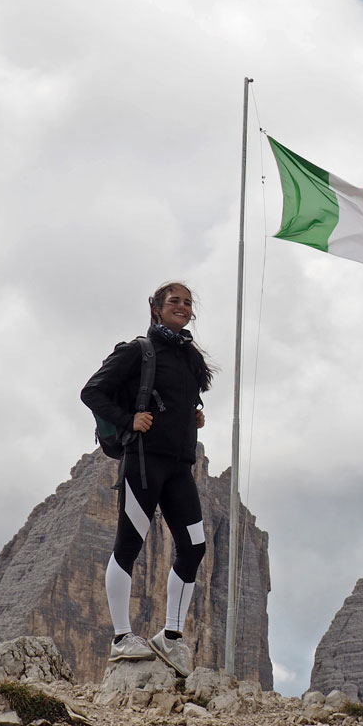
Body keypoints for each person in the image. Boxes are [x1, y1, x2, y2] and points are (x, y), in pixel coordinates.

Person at [80, 281, 215, 677]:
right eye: (174, 301)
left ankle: (170, 638)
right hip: (143, 462)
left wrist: (192, 417)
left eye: (188, 303)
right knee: (129, 544)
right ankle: (122, 638)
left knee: (194, 547)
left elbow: (178, 400)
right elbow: (92, 392)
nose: (182, 306)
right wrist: (128, 420)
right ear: (156, 308)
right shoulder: (137, 351)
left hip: (179, 467)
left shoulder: (190, 358)